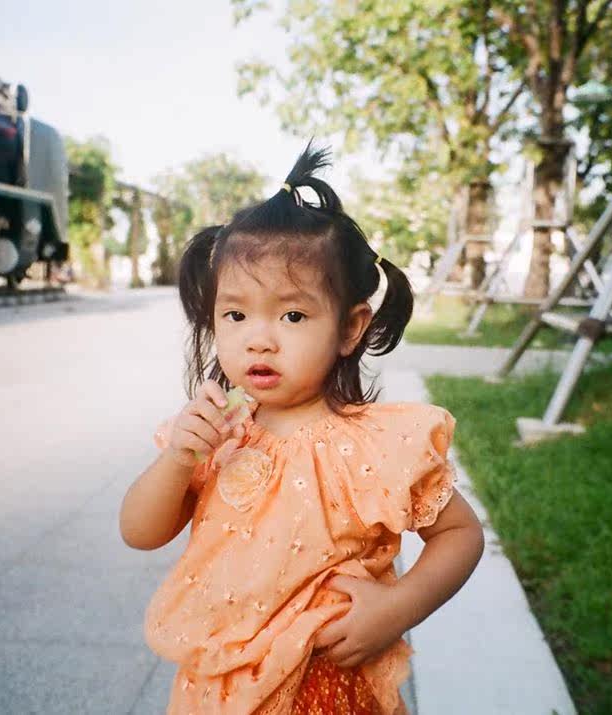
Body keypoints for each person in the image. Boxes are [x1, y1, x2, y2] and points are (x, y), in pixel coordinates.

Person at [119, 142, 485, 714]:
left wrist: (397, 610)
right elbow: (140, 532)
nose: (258, 339)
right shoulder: (215, 432)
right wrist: (177, 460)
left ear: (350, 328)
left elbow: (461, 535)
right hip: (218, 689)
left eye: (292, 315)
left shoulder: (376, 446)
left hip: (327, 686)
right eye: (235, 314)